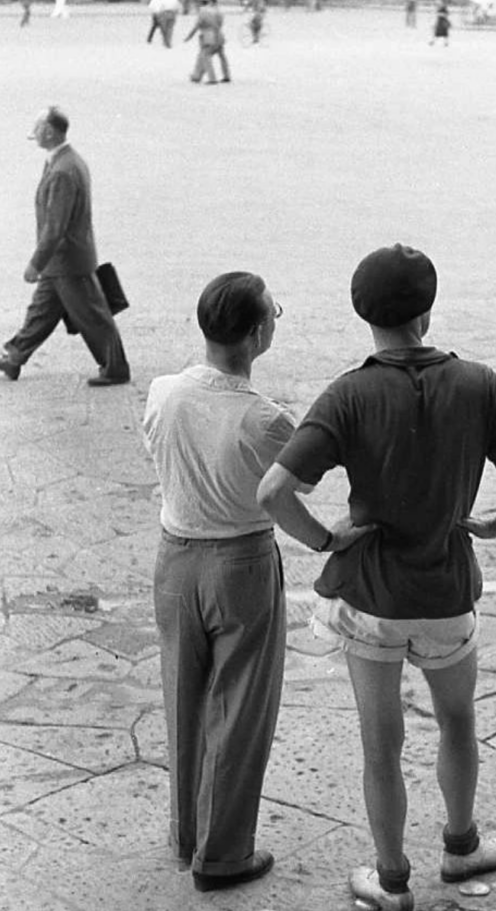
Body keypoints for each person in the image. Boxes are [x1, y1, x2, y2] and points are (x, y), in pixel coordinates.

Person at [258, 244, 496, 911]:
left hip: (371, 595)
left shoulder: (348, 393)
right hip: (446, 590)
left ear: (362, 313)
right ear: (427, 314)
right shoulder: (478, 383)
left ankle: (391, 878)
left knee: (382, 743)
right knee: (457, 719)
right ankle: (462, 844)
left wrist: (325, 539)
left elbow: (273, 490)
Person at [143, 272, 297, 894]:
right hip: (242, 564)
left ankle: (186, 836)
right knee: (239, 711)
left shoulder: (163, 393)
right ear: (258, 334)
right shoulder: (266, 421)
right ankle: (224, 853)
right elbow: (292, 490)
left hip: (175, 557)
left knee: (183, 698)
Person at [0, 108, 130, 386]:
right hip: (63, 260)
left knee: (93, 316)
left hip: (67, 261)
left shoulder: (63, 170)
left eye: (37, 130)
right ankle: (14, 358)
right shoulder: (66, 161)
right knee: (41, 311)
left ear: (49, 132)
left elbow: (55, 226)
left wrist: (35, 263)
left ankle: (116, 368)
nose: (34, 135)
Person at [185, 0, 231, 85]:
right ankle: (226, 75)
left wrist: (189, 36)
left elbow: (197, 25)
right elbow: (221, 23)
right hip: (219, 35)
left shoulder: (203, 12)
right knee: (222, 56)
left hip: (208, 35)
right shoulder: (218, 11)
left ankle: (212, 78)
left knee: (206, 56)